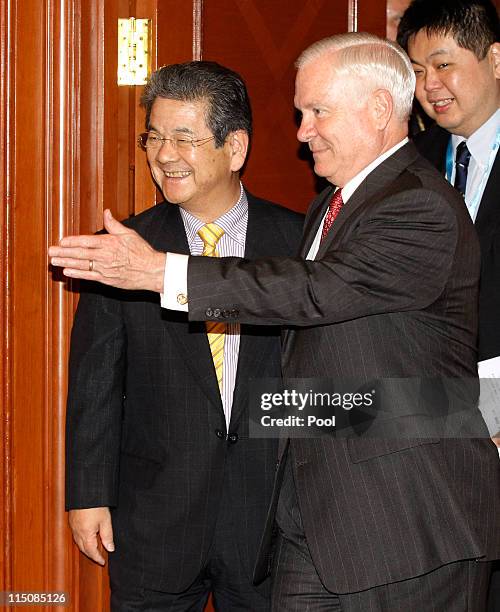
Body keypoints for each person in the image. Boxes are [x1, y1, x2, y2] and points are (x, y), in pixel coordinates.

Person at [50, 34, 500, 611]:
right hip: (310, 521)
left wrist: (164, 274)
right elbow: (338, 365)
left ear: (379, 110)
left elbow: (317, 294)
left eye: (317, 112)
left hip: (403, 523)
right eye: (301, 113)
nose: (301, 131)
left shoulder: (417, 205)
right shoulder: (331, 208)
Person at [59, 61, 303, 611]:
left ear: (234, 148)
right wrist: (88, 495)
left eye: (184, 138)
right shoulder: (123, 249)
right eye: (154, 137)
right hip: (155, 520)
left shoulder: (298, 239)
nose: (164, 155)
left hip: (269, 521)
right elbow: (96, 384)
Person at [397, 2, 500, 609]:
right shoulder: (406, 159)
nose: (428, 85)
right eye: (415, 70)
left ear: (494, 57)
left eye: (443, 64)